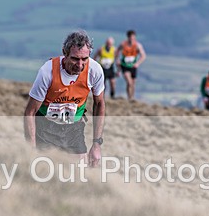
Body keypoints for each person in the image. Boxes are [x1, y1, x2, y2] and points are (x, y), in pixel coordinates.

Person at [23, 30, 105, 167]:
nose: (80, 65)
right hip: (45, 127)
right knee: (44, 171)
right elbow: (30, 112)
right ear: (64, 53)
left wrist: (97, 145)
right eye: (75, 58)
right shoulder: (47, 71)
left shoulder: (95, 70)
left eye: (84, 59)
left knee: (80, 171)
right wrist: (31, 150)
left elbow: (100, 103)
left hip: (74, 127)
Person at [115, 29, 146, 100]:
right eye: (131, 38)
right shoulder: (123, 44)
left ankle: (132, 98)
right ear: (128, 37)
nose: (132, 39)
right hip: (124, 65)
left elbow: (143, 55)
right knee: (129, 82)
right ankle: (129, 98)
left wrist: (138, 63)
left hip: (133, 66)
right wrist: (117, 60)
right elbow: (116, 52)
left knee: (133, 83)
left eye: (133, 38)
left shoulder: (138, 45)